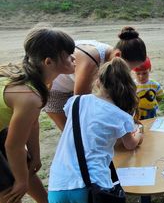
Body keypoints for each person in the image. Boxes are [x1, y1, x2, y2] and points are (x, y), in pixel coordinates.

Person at [48, 58, 143, 203]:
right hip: (91, 185)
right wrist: (139, 134)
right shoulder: (121, 116)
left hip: (57, 184)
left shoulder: (75, 102)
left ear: (98, 81)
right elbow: (130, 144)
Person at [0, 26, 76, 203]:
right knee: (10, 190)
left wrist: (35, 156)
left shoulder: (36, 79)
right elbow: (13, 146)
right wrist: (20, 181)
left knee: (26, 167)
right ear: (48, 62)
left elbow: (32, 123)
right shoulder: (28, 96)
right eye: (68, 55)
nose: (74, 58)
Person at [44, 26, 147, 130]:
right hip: (55, 89)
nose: (127, 72)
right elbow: (81, 104)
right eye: (128, 68)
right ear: (118, 55)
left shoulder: (112, 56)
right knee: (73, 131)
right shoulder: (91, 62)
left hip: (73, 86)